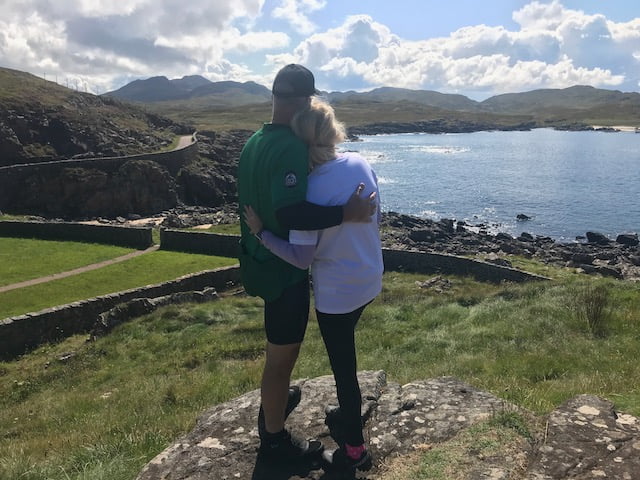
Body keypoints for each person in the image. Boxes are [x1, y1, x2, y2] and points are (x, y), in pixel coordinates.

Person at [237, 64, 375, 463]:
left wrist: (259, 236)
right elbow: (294, 213)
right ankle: (275, 438)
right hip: (284, 273)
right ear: (304, 101)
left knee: (277, 356)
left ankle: (274, 408)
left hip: (258, 265)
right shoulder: (290, 147)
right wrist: (345, 213)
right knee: (280, 362)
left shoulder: (253, 142)